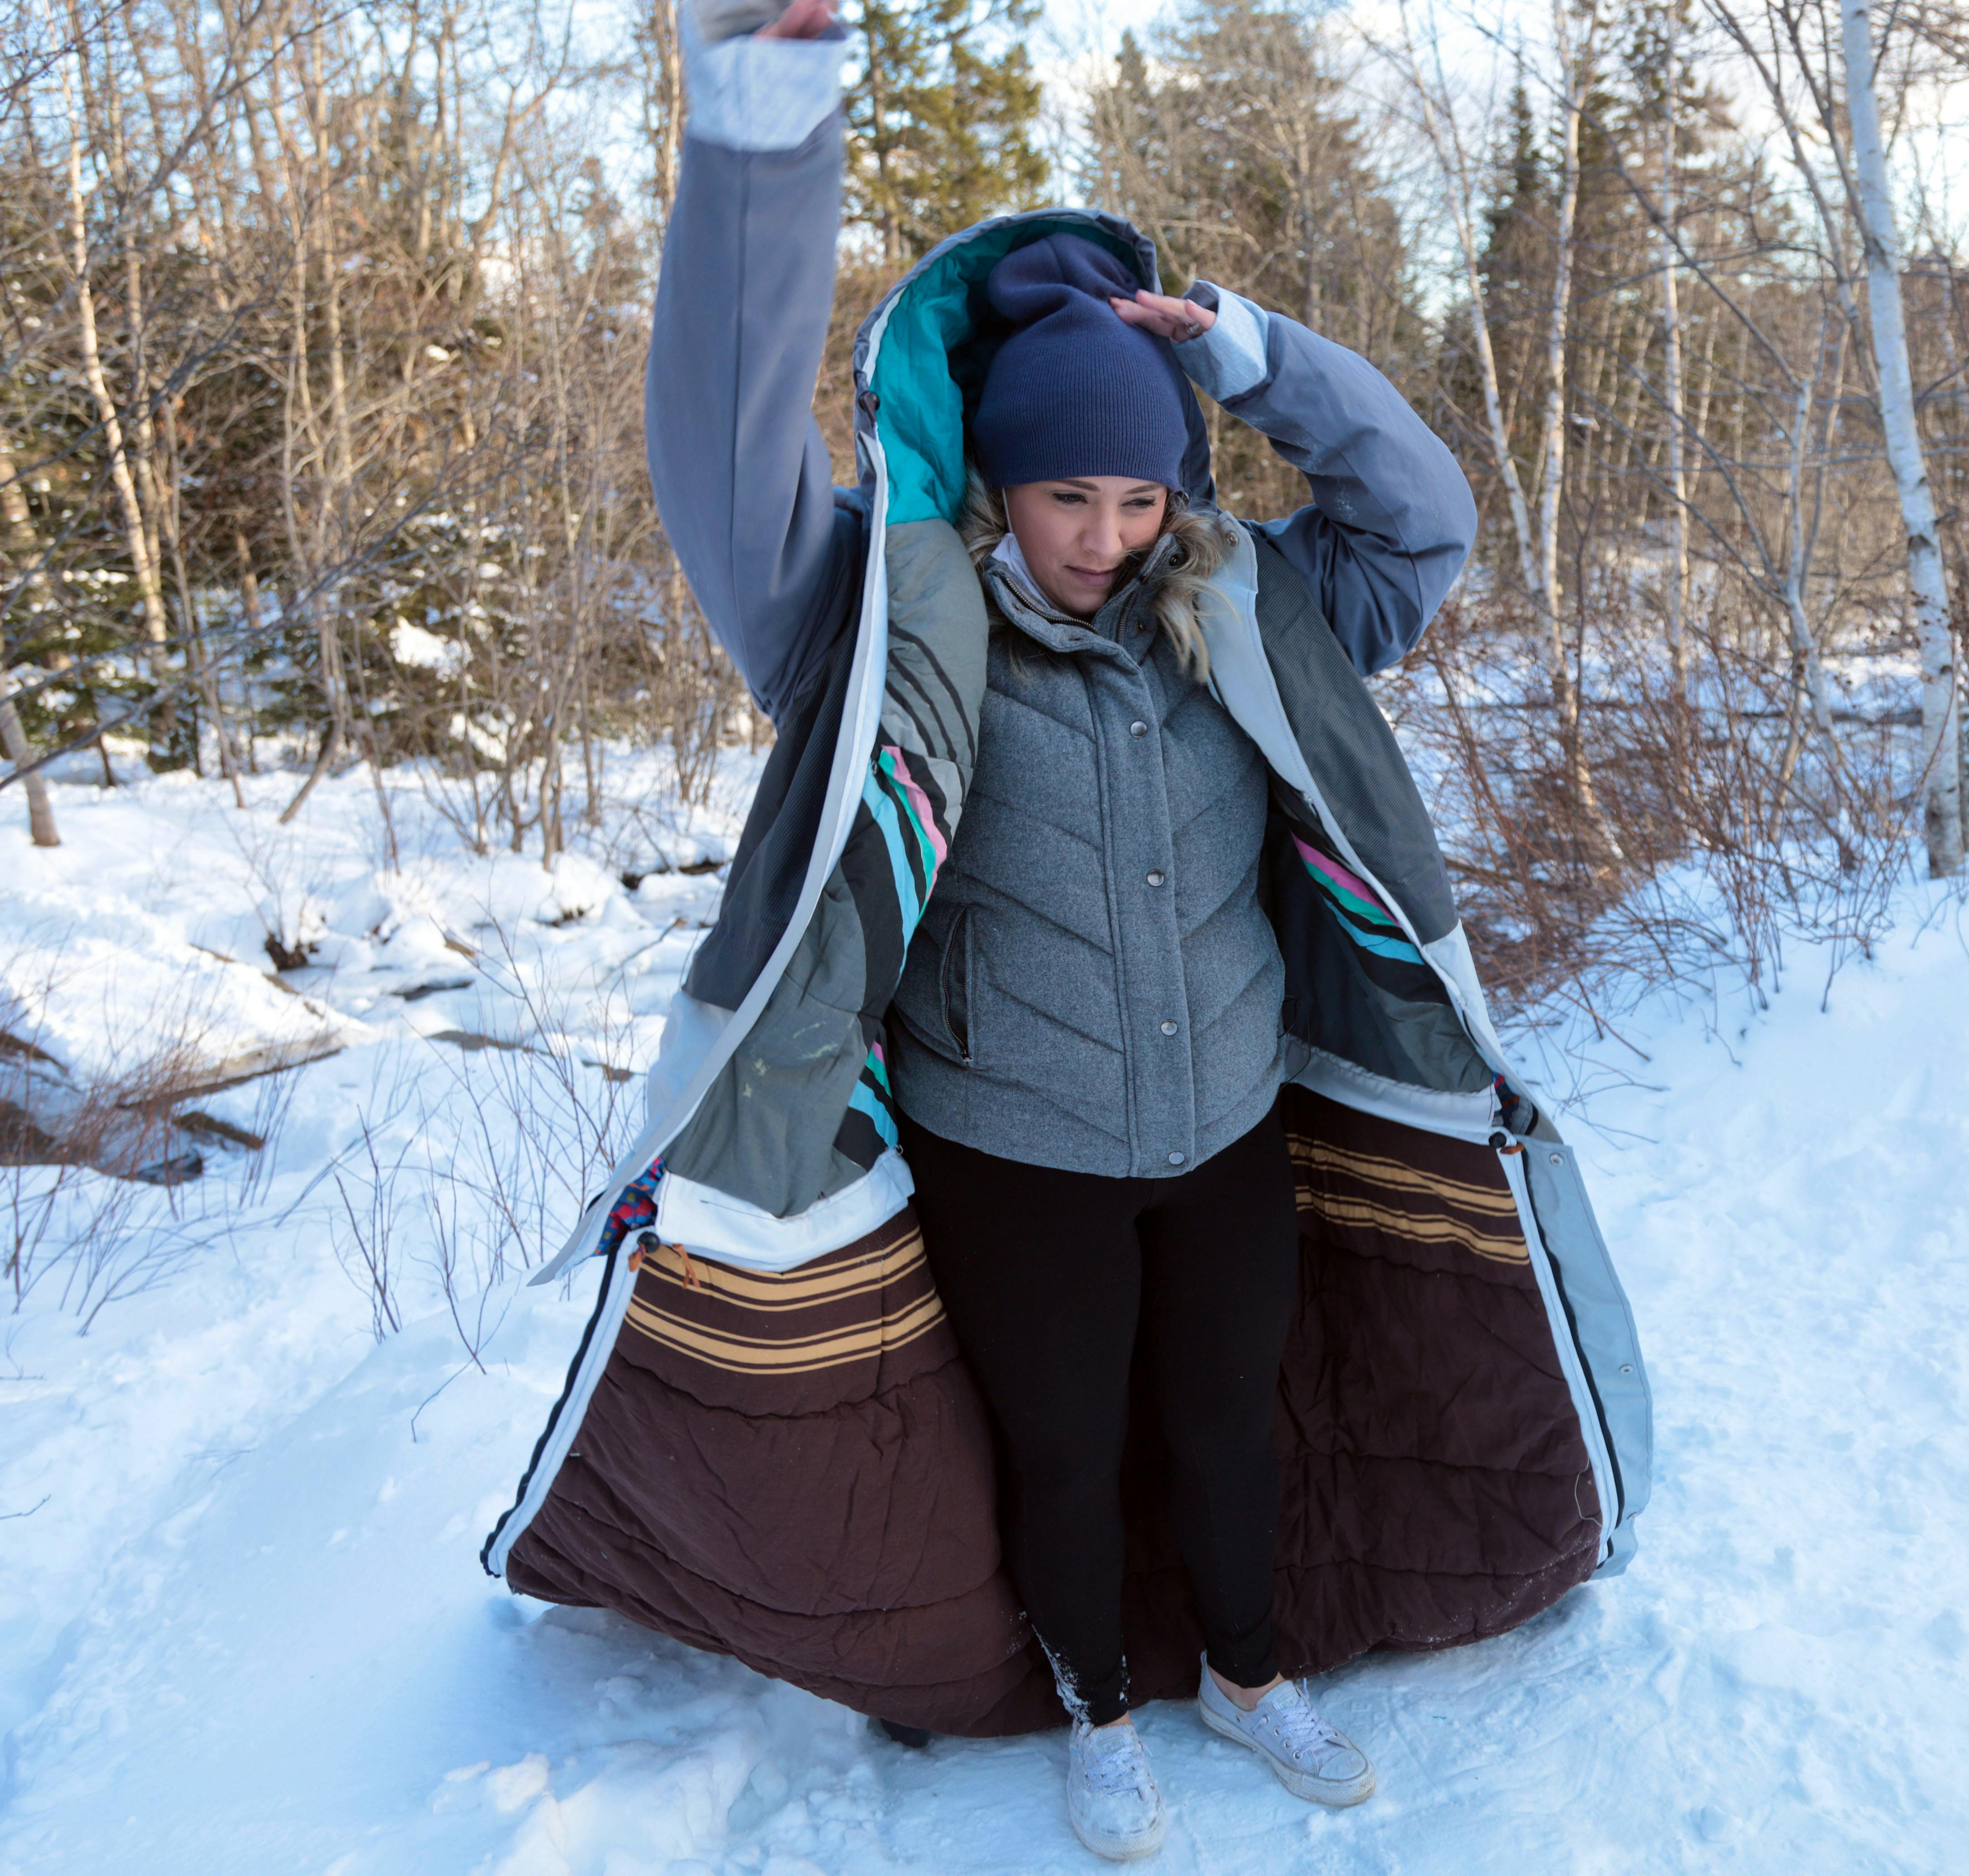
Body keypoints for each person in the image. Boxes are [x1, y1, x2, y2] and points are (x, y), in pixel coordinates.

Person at [633, 0, 1482, 1858]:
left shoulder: (1249, 606)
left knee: (1231, 1428)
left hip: (1230, 1126)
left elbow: (1426, 522)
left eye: (1140, 490)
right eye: (1066, 494)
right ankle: (1101, 1702)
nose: (1107, 531)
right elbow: (718, 449)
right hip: (1012, 1144)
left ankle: (1248, 1677)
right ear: (999, 485)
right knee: (1066, 1451)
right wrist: (761, 118)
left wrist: (1258, 360)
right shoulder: (877, 629)